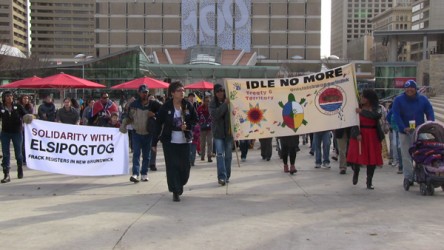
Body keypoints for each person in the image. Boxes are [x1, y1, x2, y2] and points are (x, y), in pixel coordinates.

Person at [154, 81, 197, 201]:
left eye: (183, 90)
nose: (182, 92)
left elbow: (195, 120)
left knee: (185, 167)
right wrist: (154, 142)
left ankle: (180, 183)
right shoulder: (166, 107)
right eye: (179, 90)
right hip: (170, 141)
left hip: (185, 140)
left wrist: (188, 126)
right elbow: (158, 124)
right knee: (172, 166)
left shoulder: (188, 105)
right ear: (173, 93)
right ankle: (175, 190)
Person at [392, 80, 434, 184]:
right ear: (404, 89)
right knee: (406, 154)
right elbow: (396, 115)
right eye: (407, 88)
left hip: (420, 130)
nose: (409, 90)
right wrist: (403, 127)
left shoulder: (422, 99)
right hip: (405, 131)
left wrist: (430, 123)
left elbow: (429, 111)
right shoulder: (399, 100)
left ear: (415, 89)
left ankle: (424, 173)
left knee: (424, 152)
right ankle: (408, 176)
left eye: (412, 88)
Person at [121, 84, 161, 183]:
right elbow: (128, 117)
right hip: (136, 133)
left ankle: (144, 174)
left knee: (147, 156)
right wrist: (123, 124)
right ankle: (135, 174)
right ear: (139, 93)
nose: (145, 94)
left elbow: (164, 111)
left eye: (146, 92)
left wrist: (155, 114)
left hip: (148, 133)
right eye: (143, 92)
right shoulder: (134, 104)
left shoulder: (153, 104)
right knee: (136, 154)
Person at [347, 89, 385, 190]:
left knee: (371, 159)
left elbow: (375, 116)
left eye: (364, 97)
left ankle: (369, 181)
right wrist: (357, 133)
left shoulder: (376, 107)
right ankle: (356, 171)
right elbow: (353, 121)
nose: (362, 98)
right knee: (357, 156)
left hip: (372, 135)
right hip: (360, 134)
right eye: (361, 96)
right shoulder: (356, 107)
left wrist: (362, 112)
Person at [0, 91, 27, 183]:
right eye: (7, 96)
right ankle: (6, 174)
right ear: (4, 98)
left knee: (18, 153)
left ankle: (19, 168)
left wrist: (30, 118)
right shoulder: (1, 107)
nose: (9, 98)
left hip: (17, 133)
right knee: (5, 154)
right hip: (5, 133)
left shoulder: (18, 106)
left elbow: (26, 115)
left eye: (11, 96)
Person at [209, 83, 233, 186]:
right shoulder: (212, 103)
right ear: (215, 92)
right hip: (218, 133)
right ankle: (222, 177)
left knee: (228, 156)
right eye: (218, 91)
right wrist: (225, 105)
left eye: (222, 90)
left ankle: (227, 175)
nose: (220, 93)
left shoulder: (230, 101)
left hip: (228, 133)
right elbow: (216, 114)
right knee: (219, 155)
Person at [19, 95, 34, 165]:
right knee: (21, 144)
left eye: (27, 98)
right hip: (20, 128)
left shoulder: (30, 107)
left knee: (27, 144)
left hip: (28, 128)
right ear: (21, 99)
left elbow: (32, 116)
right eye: (24, 98)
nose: (26, 100)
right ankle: (22, 159)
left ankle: (26, 158)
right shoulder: (18, 106)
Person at [197, 95, 213, 162]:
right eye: (206, 101)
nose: (207, 102)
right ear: (203, 101)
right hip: (202, 127)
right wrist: (199, 123)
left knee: (210, 142)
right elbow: (197, 116)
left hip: (210, 128)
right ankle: (202, 155)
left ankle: (209, 156)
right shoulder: (200, 108)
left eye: (209, 101)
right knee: (202, 143)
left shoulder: (212, 108)